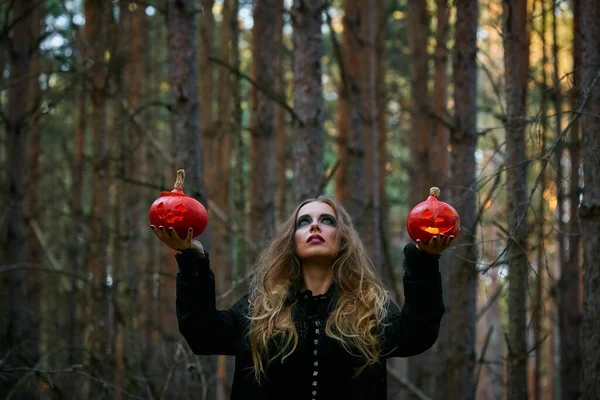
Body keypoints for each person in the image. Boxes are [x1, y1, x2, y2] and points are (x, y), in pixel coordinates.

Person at [151, 195, 451, 400]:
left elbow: (417, 334)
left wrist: (424, 263)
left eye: (327, 221)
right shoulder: (261, 307)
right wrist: (192, 260)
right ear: (291, 242)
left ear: (343, 239)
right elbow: (202, 334)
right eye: (304, 221)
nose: (315, 226)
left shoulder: (368, 307)